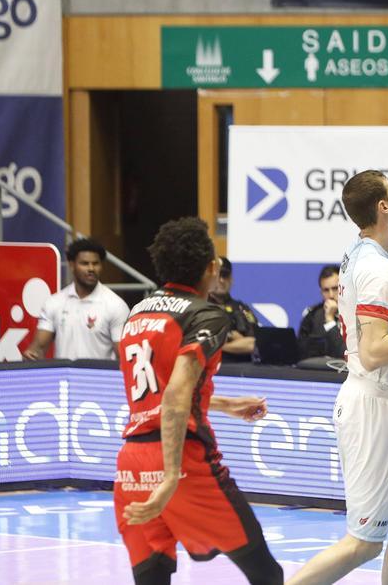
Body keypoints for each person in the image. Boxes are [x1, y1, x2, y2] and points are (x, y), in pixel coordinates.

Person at [287, 171, 388, 585]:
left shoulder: (367, 253)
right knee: (365, 542)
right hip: (372, 403)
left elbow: (380, 317)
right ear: (383, 207)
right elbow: (373, 352)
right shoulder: (376, 268)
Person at [114, 217, 283, 585]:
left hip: (131, 464)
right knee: (267, 574)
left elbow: (156, 390)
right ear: (211, 268)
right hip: (183, 460)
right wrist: (171, 476)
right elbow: (174, 393)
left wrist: (223, 404)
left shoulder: (138, 312)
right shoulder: (205, 314)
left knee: (152, 577)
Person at [23, 237, 129, 361]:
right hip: (63, 379)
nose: (91, 269)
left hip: (98, 379)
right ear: (72, 265)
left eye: (95, 263)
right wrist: (31, 355)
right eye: (84, 263)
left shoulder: (116, 305)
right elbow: (39, 349)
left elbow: (123, 358)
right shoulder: (54, 302)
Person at [208, 258, 258, 363]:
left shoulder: (242, 308)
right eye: (219, 276)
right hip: (210, 367)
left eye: (225, 276)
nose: (221, 280)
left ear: (231, 279)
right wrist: (234, 339)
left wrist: (220, 345)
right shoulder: (201, 307)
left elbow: (254, 343)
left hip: (242, 369)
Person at [297, 265, 346, 361]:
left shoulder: (355, 314)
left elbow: (344, 353)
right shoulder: (312, 316)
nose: (331, 295)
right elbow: (300, 352)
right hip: (319, 372)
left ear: (342, 288)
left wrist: (330, 320)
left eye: (335, 288)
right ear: (321, 292)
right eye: (326, 290)